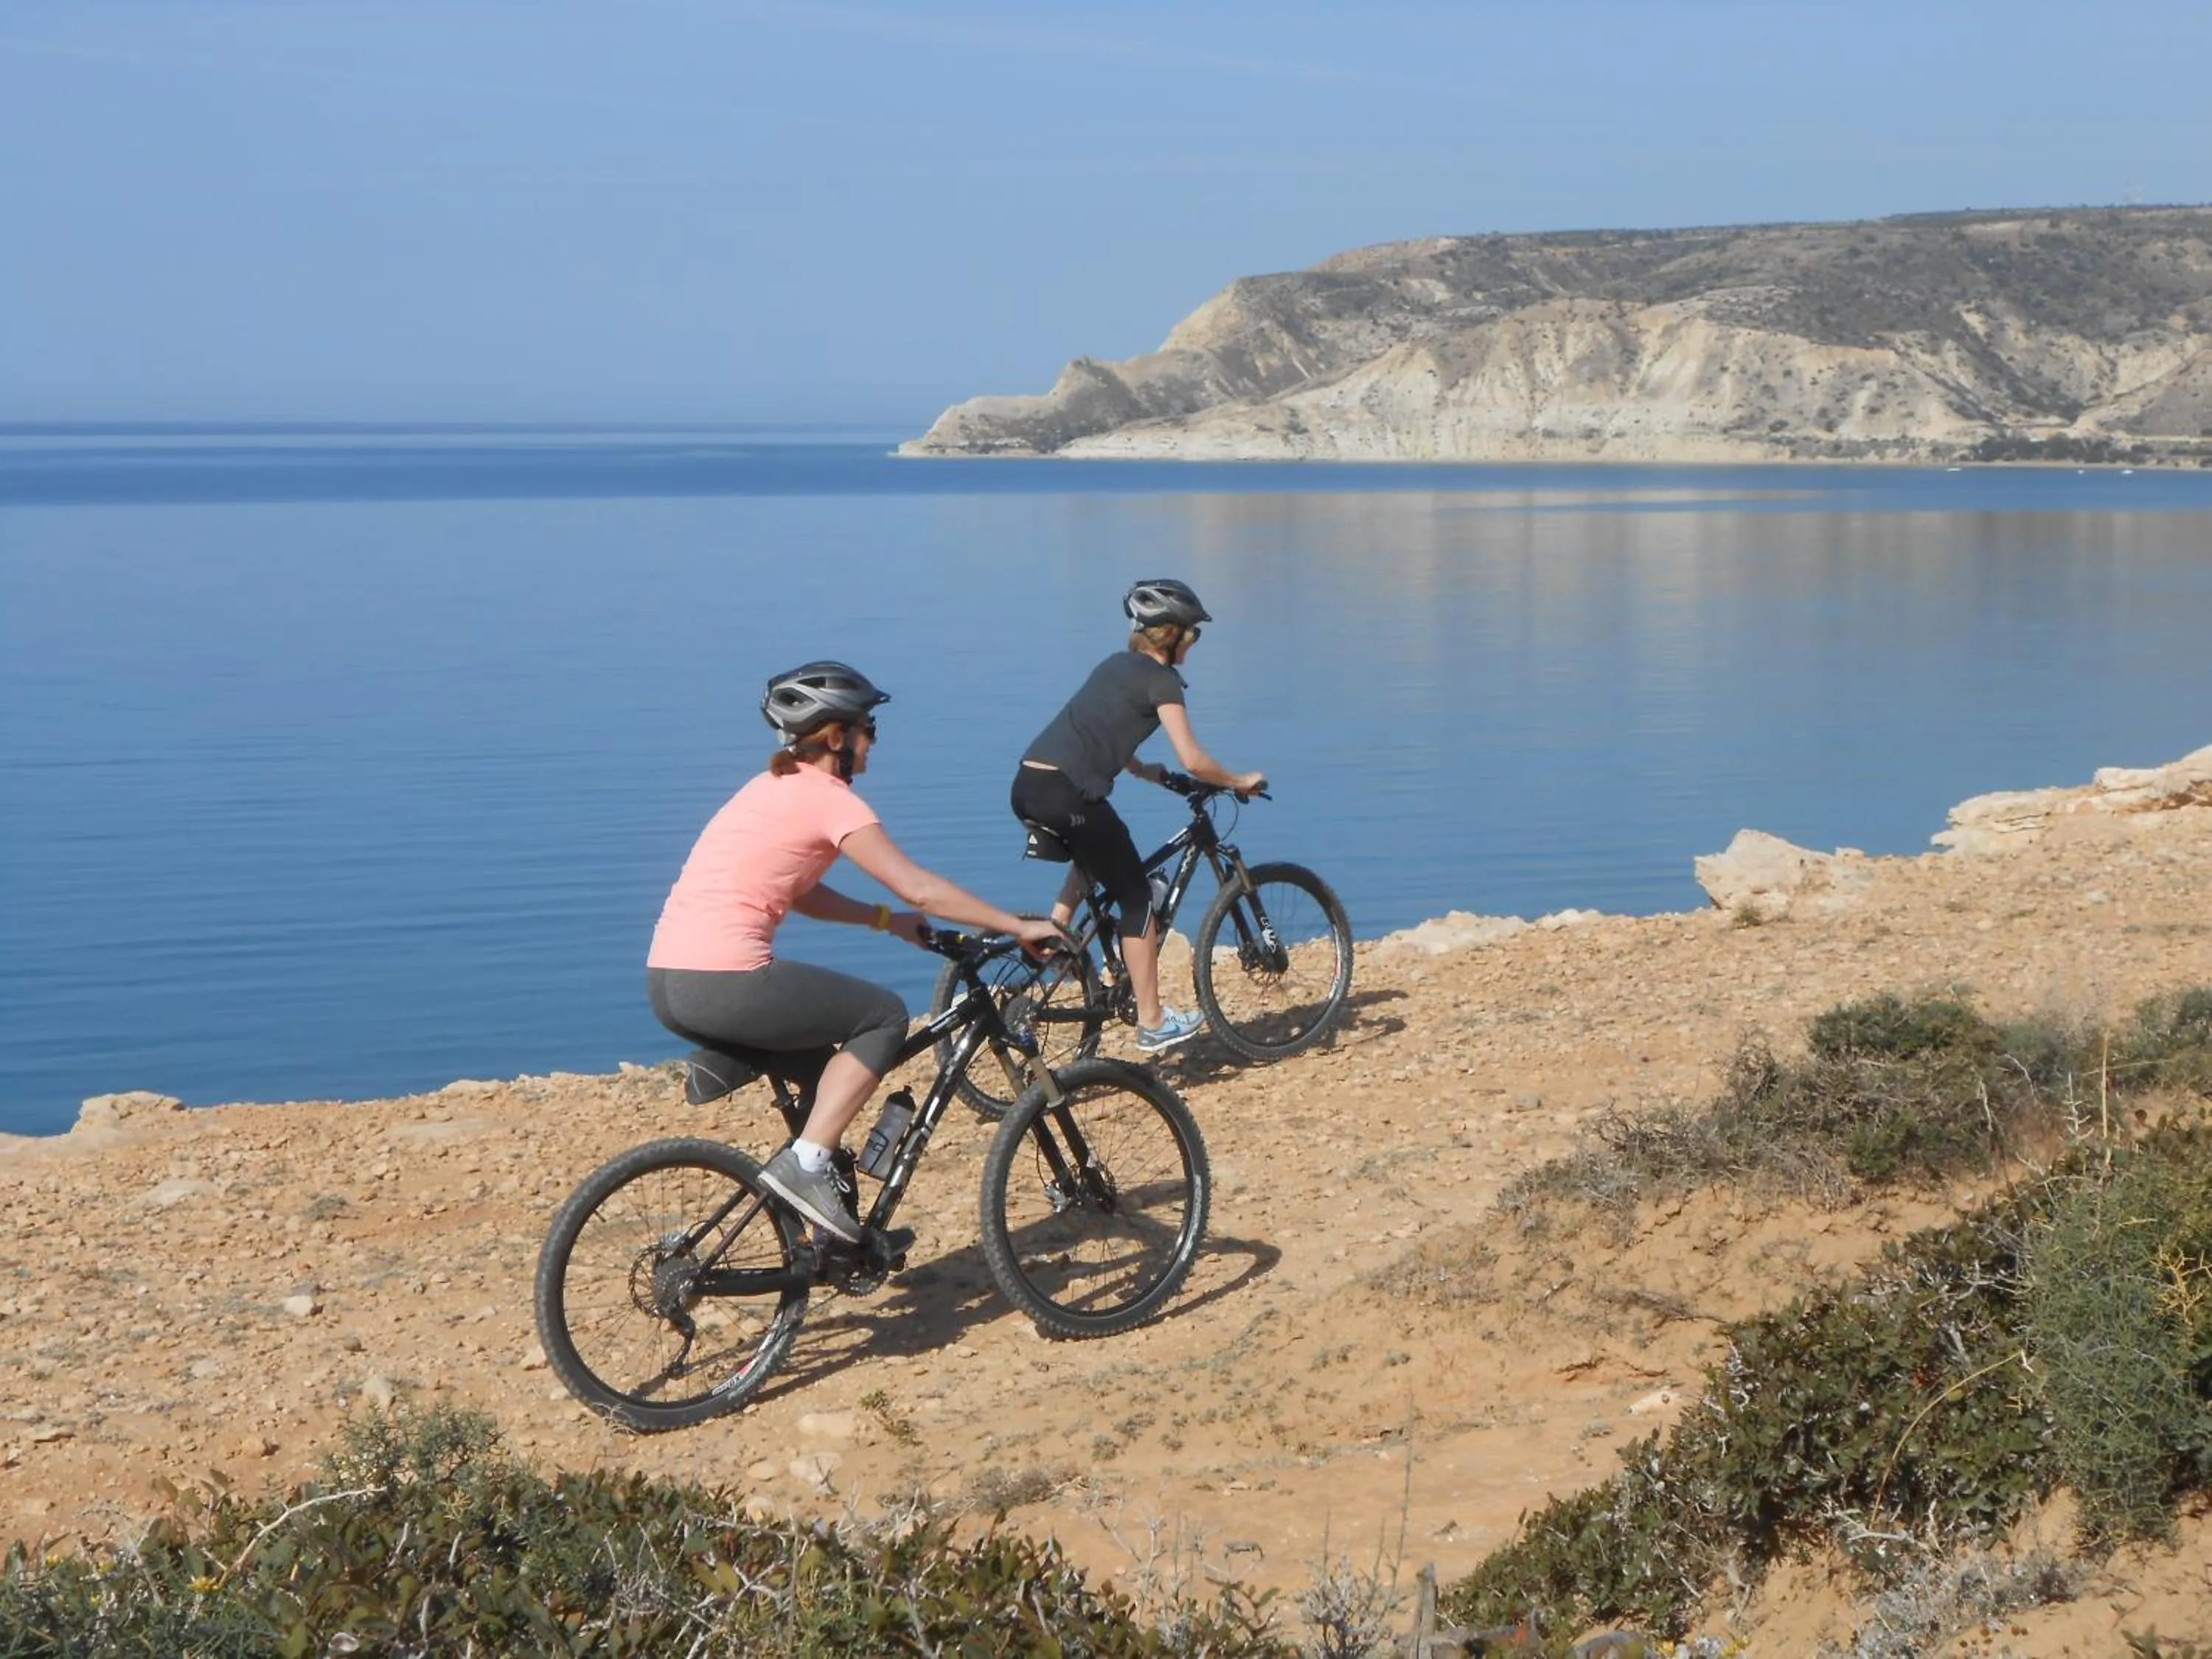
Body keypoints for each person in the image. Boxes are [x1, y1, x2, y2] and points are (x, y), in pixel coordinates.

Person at [647, 660, 1064, 1244]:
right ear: (837, 736)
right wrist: (1012, 925)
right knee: (883, 1017)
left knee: (831, 1080)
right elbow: (918, 885)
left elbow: (804, 893)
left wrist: (887, 922)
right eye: (869, 728)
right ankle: (807, 1165)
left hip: (670, 981)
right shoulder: (830, 799)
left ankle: (832, 1240)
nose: (874, 743)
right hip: (724, 981)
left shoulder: (770, 786)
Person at [1011, 579, 1266, 1056]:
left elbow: (1100, 728)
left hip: (1029, 782)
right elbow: (1194, 760)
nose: (1195, 641)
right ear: (1172, 635)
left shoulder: (1114, 667)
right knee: (1136, 897)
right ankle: (1152, 1021)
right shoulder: (1163, 681)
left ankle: (1055, 935)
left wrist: (1147, 773)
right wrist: (1237, 780)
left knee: (1095, 852)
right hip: (1067, 793)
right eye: (1192, 633)